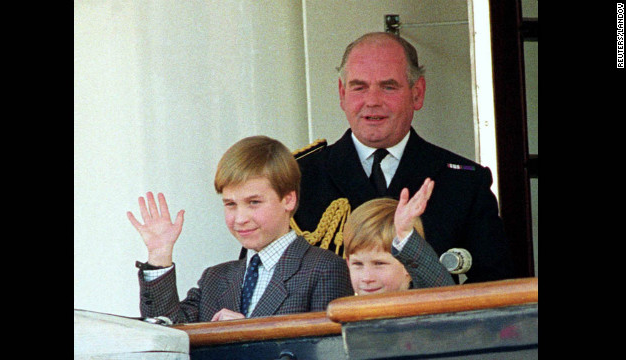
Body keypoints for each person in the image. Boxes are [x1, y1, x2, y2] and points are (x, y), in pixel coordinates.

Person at [292, 31, 515, 283]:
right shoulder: (298, 177)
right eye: (359, 87)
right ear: (342, 94)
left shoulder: (463, 183)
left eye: (388, 87)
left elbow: (494, 292)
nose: (372, 101)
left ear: (417, 93)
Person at [127, 135, 354, 324]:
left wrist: (245, 335)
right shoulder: (215, 279)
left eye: (254, 202)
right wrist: (159, 257)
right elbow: (166, 335)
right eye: (230, 204)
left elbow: (325, 351)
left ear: (288, 200)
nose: (241, 219)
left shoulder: (324, 268)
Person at [343, 178, 454, 295]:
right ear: (348, 263)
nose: (366, 278)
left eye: (379, 263)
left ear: (407, 265)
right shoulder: (341, 309)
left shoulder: (424, 305)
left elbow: (443, 293)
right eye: (358, 264)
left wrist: (405, 235)